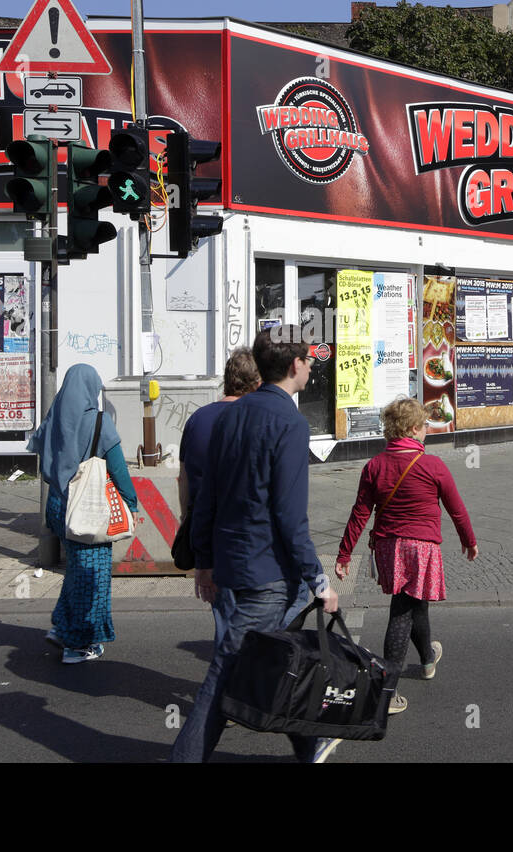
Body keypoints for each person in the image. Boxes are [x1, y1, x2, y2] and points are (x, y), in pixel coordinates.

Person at [170, 326, 341, 763]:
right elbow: (289, 515)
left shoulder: (229, 415)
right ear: (293, 366)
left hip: (230, 563)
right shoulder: (289, 423)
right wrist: (319, 582)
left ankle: (309, 743)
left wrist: (205, 561)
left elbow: (205, 496)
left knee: (277, 658)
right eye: (307, 358)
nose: (310, 365)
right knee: (226, 672)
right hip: (267, 571)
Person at [335, 396, 478, 715]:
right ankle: (386, 693)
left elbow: (360, 513)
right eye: (425, 424)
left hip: (388, 548)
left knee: (414, 603)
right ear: (413, 429)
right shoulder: (433, 465)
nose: (428, 429)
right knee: (402, 611)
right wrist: (469, 540)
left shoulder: (374, 466)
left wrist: (345, 553)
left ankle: (428, 658)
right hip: (422, 548)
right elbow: (456, 509)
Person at [27, 364, 144, 664]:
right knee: (93, 576)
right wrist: (131, 503)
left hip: (57, 506)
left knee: (77, 571)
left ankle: (61, 627)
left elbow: (40, 455)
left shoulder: (53, 419)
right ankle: (78, 644)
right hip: (87, 508)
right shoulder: (99, 423)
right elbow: (118, 469)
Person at [177, 348, 262, 650]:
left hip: (209, 536)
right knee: (260, 623)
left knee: (225, 621)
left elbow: (184, 478)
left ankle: (225, 685)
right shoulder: (258, 419)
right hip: (251, 536)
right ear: (257, 383)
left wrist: (188, 522)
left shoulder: (198, 420)